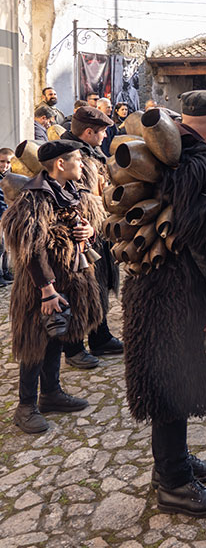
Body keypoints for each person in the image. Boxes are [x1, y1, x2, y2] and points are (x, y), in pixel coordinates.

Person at [121, 90, 206, 517]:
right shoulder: (205, 162)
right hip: (181, 293)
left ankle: (172, 462)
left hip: (151, 287)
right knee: (173, 380)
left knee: (168, 375)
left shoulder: (168, 156)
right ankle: (174, 483)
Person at [1, 140, 104, 434]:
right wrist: (47, 290)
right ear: (60, 163)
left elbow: (87, 226)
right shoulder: (34, 198)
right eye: (77, 160)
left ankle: (51, 393)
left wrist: (89, 231)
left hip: (69, 278)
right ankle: (25, 407)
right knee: (35, 341)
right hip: (41, 286)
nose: (81, 164)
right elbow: (31, 248)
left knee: (56, 334)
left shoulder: (71, 191)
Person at [62, 107, 124, 366]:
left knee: (99, 285)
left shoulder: (92, 153)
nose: (105, 135)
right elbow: (70, 198)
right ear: (88, 132)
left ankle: (100, 337)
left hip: (97, 231)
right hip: (76, 236)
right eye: (102, 131)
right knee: (77, 291)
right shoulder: (68, 156)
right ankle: (73, 347)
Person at [0, 147, 14, 286]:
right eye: (2, 161)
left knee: (6, 247)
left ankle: (5, 271)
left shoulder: (9, 177)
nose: (5, 165)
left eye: (8, 162)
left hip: (6, 217)